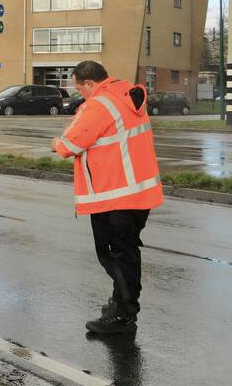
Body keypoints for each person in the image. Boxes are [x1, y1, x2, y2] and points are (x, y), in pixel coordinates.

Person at [52, 60, 163, 335]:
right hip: (137, 193)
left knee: (113, 255)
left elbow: (69, 145)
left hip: (114, 196)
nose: (80, 95)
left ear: (89, 82)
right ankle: (120, 304)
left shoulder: (100, 104)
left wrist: (56, 142)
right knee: (126, 253)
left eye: (80, 89)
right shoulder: (125, 95)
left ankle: (123, 315)